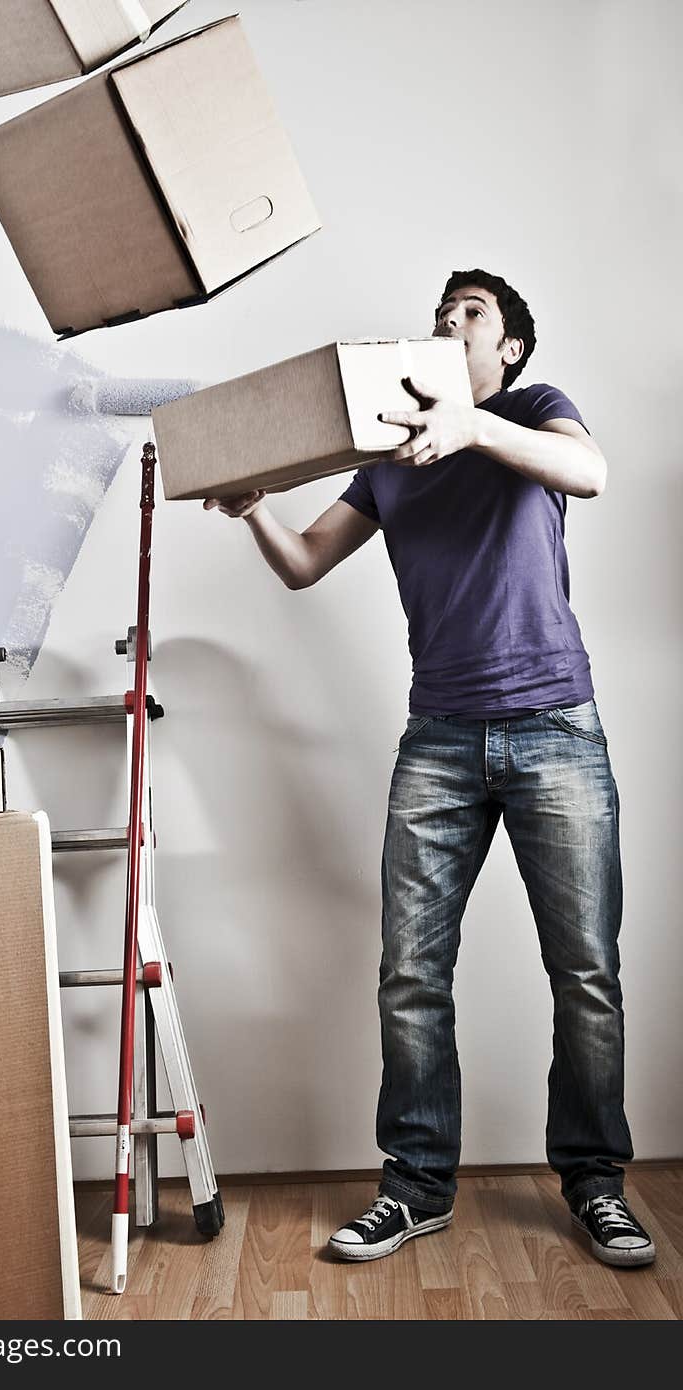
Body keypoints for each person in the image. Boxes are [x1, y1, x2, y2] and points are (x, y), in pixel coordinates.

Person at [203, 269, 655, 1270]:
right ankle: (413, 1187)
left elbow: (591, 474)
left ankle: (595, 1184)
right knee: (411, 974)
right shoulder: (388, 457)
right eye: (441, 313)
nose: (450, 324)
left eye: (472, 314)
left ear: (508, 351)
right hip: (439, 739)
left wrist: (474, 425)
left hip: (553, 726)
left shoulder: (531, 412)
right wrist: (251, 509)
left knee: (585, 973)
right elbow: (305, 561)